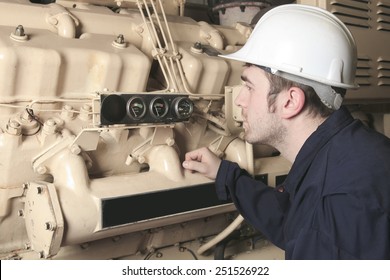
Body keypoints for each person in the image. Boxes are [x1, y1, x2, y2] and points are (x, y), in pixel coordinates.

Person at [182, 4, 390, 259]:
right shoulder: (358, 150)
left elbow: (313, 225)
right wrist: (225, 175)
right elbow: (292, 220)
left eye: (249, 87)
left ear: (290, 102)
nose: (240, 101)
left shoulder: (330, 215)